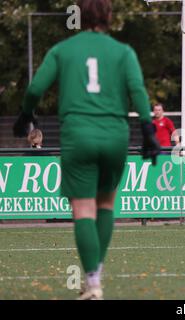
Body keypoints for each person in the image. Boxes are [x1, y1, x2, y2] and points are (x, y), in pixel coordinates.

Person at [12, 0, 160, 299]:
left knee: (83, 209)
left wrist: (27, 115)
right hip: (115, 134)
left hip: (78, 134)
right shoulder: (123, 51)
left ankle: (93, 283)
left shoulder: (62, 49)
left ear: (78, 17)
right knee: (106, 204)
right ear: (108, 17)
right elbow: (137, 90)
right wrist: (148, 131)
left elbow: (35, 89)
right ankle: (97, 272)